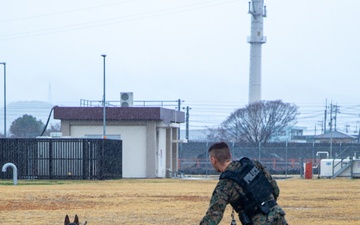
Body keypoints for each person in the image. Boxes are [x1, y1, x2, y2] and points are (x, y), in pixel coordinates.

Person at [200, 142, 287, 225]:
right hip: (279, 217)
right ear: (230, 156)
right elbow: (275, 189)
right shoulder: (253, 164)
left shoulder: (225, 184)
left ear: (213, 160)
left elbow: (214, 215)